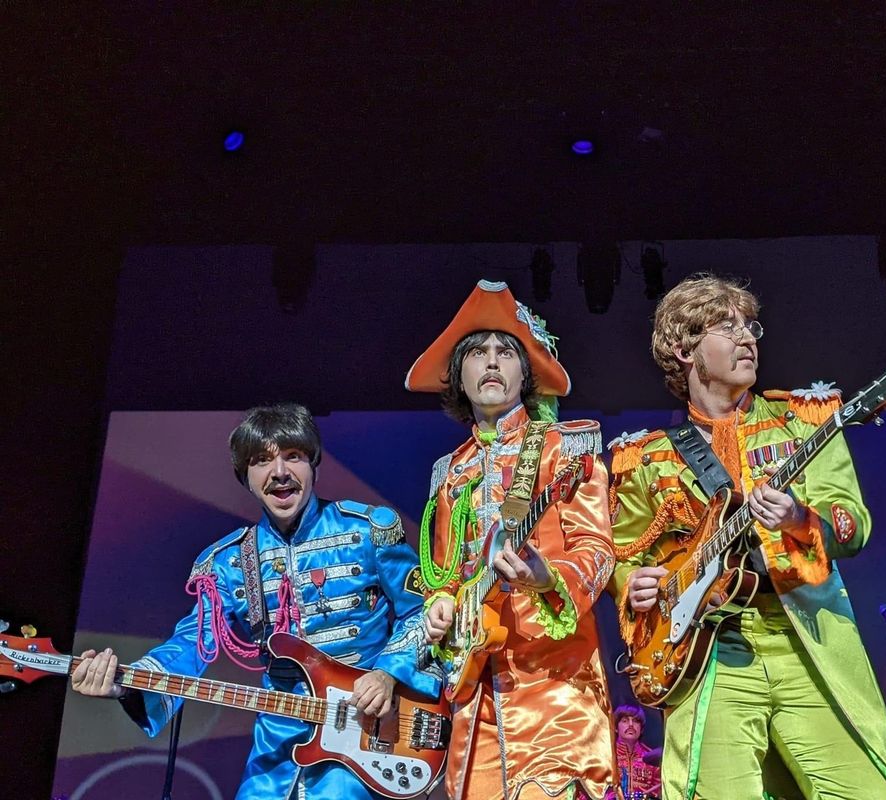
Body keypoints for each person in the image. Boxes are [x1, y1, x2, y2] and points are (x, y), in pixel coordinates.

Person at [607, 274, 886, 800]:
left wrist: (799, 518)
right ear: (685, 349)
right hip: (709, 653)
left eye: (751, 325)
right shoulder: (646, 456)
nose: (748, 337)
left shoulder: (802, 422)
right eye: (727, 327)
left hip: (806, 635)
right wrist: (633, 583)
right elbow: (623, 554)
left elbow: (852, 522)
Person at [69, 403, 441, 799]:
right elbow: (191, 645)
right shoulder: (228, 564)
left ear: (313, 464)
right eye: (261, 461)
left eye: (293, 456)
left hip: (371, 734)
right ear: (245, 477)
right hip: (277, 745)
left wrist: (387, 673)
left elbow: (421, 612)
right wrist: (127, 683)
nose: (279, 472)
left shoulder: (369, 530)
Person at [408, 279, 617, 800]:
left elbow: (597, 551)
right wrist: (438, 607)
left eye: (507, 352)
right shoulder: (449, 473)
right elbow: (444, 574)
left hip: (554, 688)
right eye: (478, 353)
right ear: (459, 375)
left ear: (527, 374)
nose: (493, 362)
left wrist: (547, 577)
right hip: (472, 695)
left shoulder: (562, 450)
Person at [608, 704, 662, 800]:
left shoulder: (652, 758)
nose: (631, 725)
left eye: (636, 721)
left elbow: (658, 794)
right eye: (625, 721)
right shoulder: (604, 755)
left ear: (641, 729)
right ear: (615, 727)